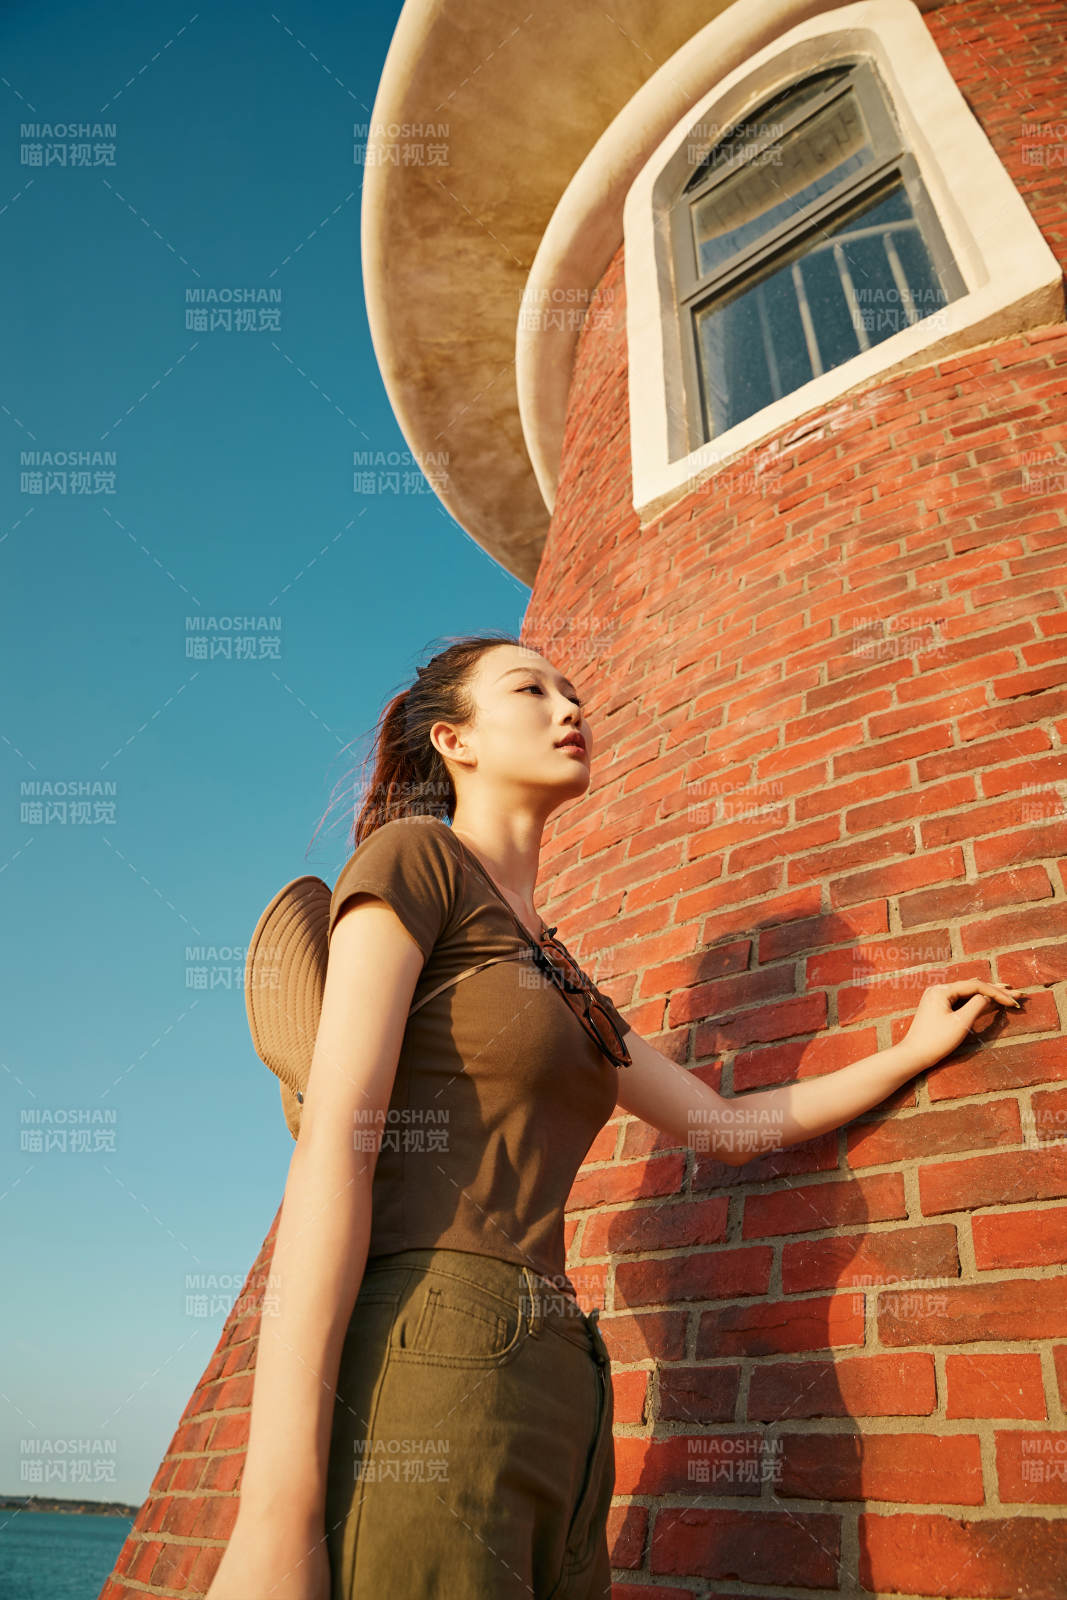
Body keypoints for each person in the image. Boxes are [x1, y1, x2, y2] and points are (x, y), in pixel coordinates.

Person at [204, 630, 1024, 1600]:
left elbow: (721, 1124)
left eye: (573, 692)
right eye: (530, 690)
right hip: (431, 1352)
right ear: (454, 740)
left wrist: (911, 1048)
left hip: (561, 1384)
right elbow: (337, 1150)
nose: (568, 709)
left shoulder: (557, 965)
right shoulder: (415, 861)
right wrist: (274, 1516)